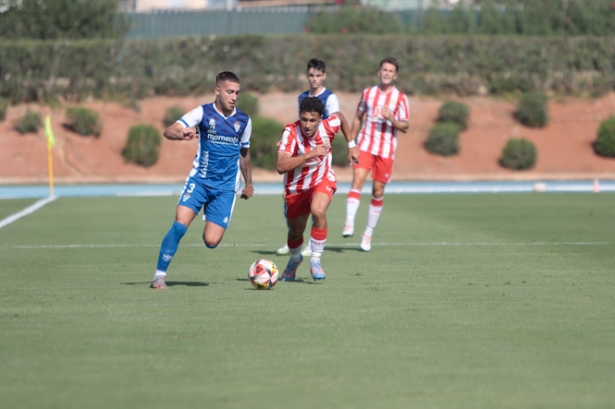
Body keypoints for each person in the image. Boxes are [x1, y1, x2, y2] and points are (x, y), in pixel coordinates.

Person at [150, 71, 254, 289]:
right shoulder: (203, 113)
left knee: (211, 241)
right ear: (217, 90)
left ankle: (209, 215)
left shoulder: (244, 121)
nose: (234, 96)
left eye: (237, 92)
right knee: (179, 226)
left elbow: (245, 154)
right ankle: (159, 276)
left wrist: (249, 183)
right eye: (229, 92)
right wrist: (180, 134)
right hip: (200, 182)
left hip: (225, 189)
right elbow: (169, 130)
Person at [276, 97, 358, 282]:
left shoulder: (328, 126)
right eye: (304, 119)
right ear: (299, 116)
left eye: (313, 120)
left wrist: (352, 146)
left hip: (322, 179)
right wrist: (309, 154)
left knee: (318, 210)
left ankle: (315, 260)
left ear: (320, 118)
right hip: (296, 187)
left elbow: (341, 117)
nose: (307, 124)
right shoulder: (290, 132)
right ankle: (294, 260)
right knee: (296, 231)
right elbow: (281, 166)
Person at [276, 58, 344, 257]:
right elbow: (299, 128)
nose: (314, 79)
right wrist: (286, 142)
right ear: (307, 75)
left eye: (318, 75)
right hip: (301, 158)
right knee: (290, 202)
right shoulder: (302, 97)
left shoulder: (330, 98)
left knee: (317, 206)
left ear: (324, 76)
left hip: (320, 159)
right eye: (311, 75)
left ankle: (313, 249)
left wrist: (351, 145)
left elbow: (334, 122)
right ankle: (295, 240)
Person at [342, 57, 410, 252]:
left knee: (377, 191)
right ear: (379, 72)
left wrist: (391, 119)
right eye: (384, 70)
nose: (387, 73)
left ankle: (368, 234)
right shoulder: (368, 93)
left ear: (395, 75)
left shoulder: (400, 98)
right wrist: (351, 144)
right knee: (357, 181)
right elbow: (357, 117)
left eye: (391, 71)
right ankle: (349, 223)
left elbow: (405, 126)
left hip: (386, 150)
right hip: (365, 145)